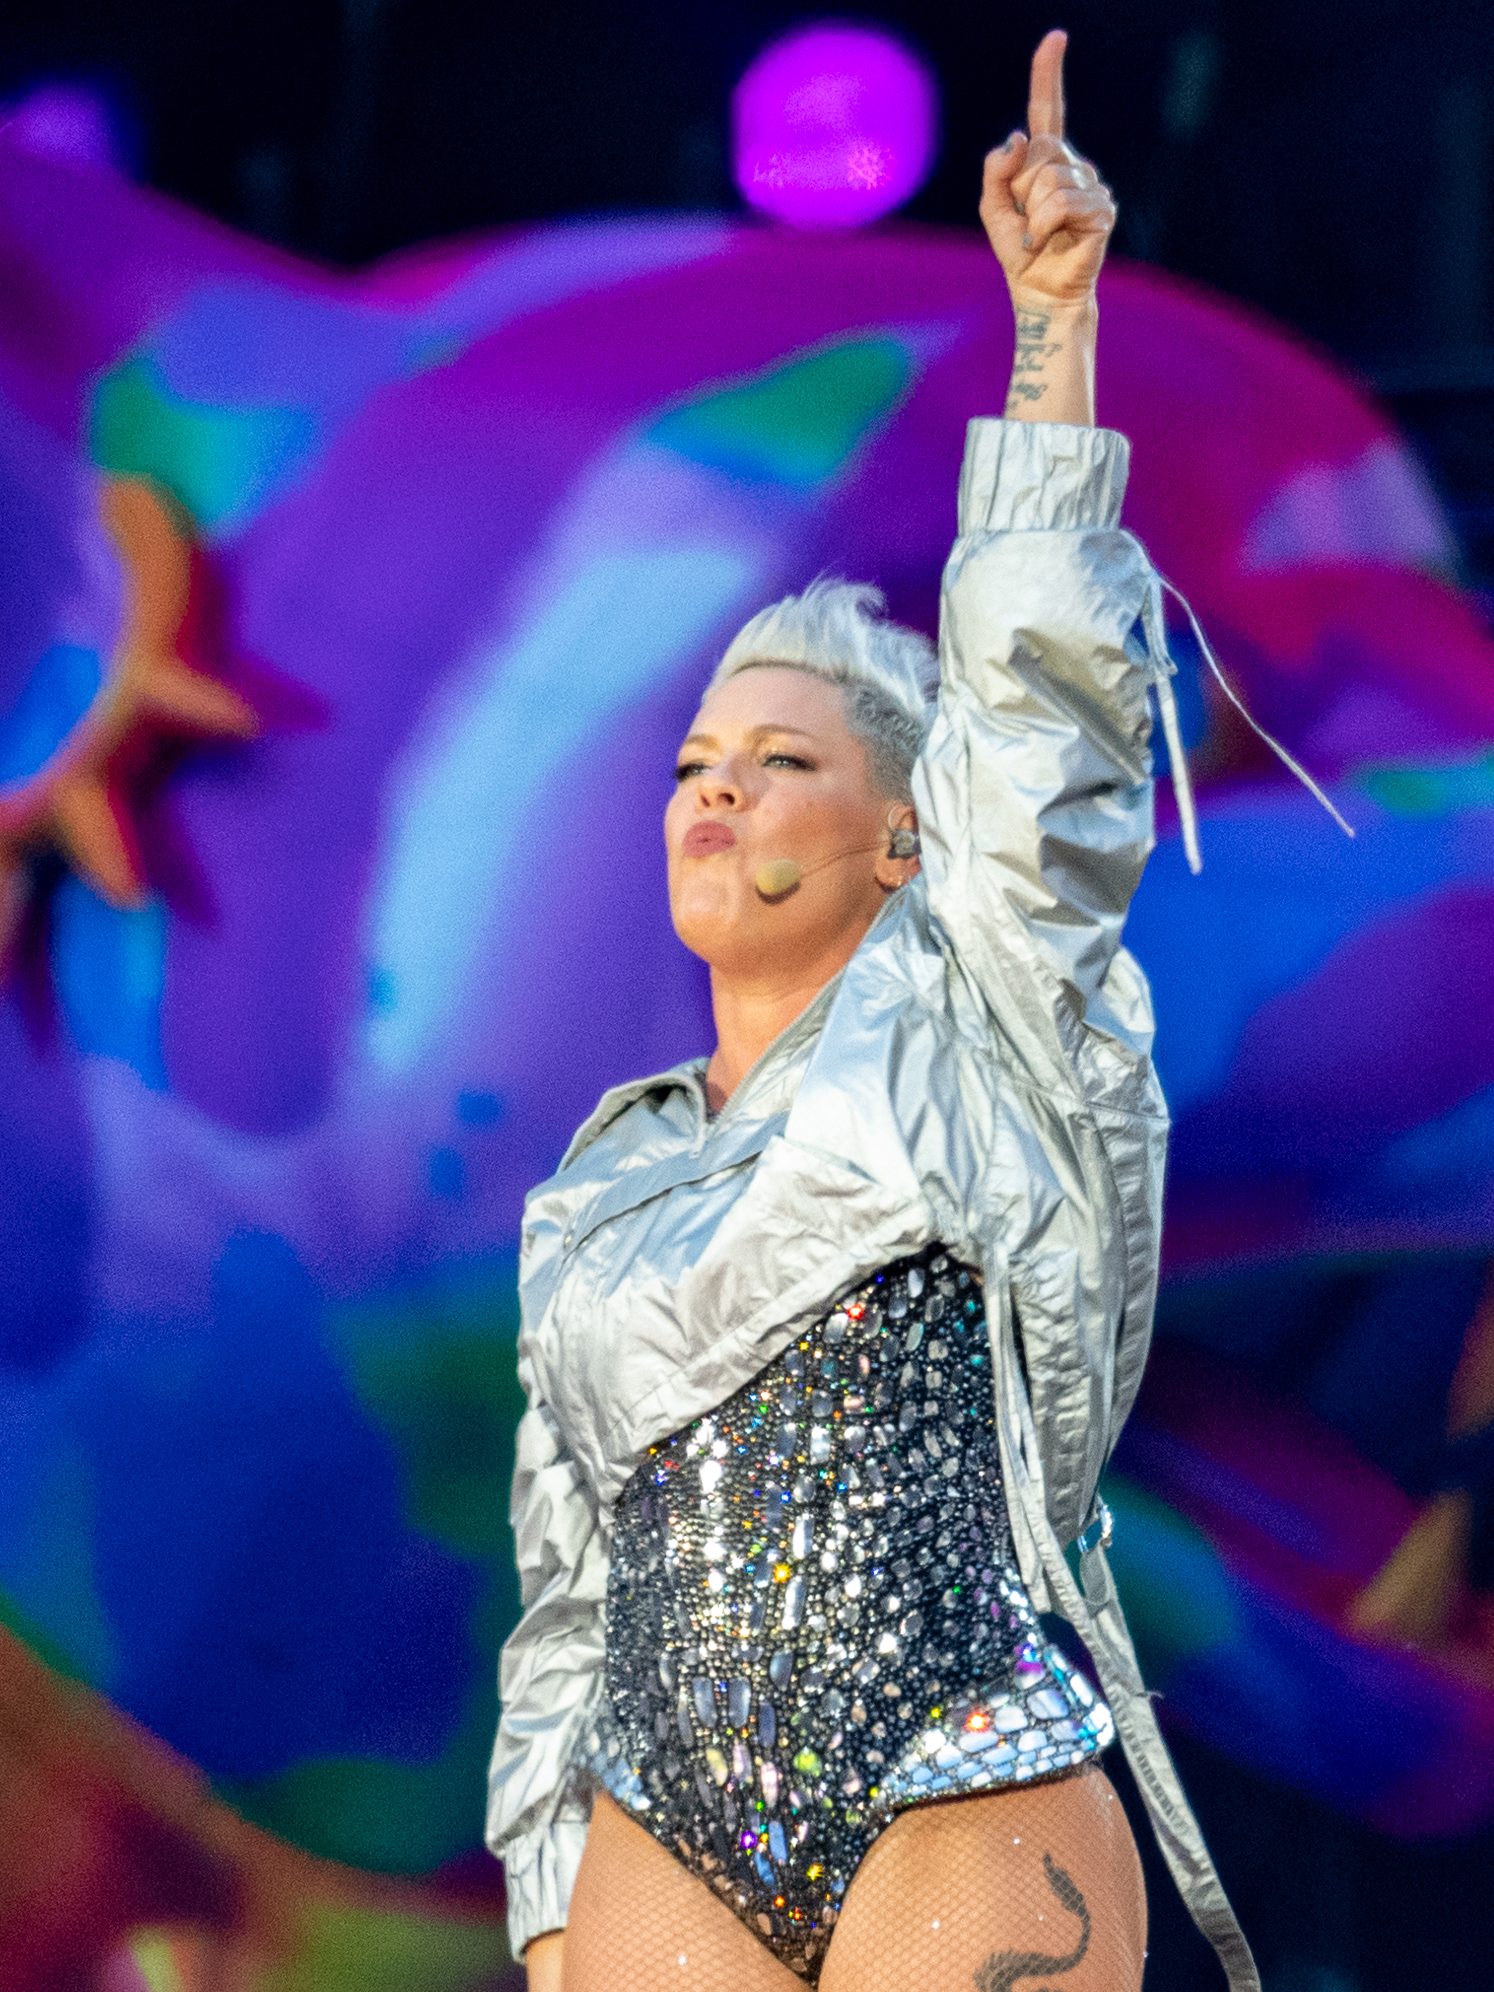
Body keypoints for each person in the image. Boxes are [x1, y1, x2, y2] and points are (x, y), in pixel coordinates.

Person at [487, 28, 1260, 1992]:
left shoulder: (983, 1003)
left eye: (782, 760)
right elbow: (564, 1600)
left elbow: (1038, 730)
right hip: (664, 1813)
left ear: (910, 839)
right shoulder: (596, 1190)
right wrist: (550, 1907)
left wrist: (1048, 336)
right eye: (692, 760)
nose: (716, 787)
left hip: (963, 1765)